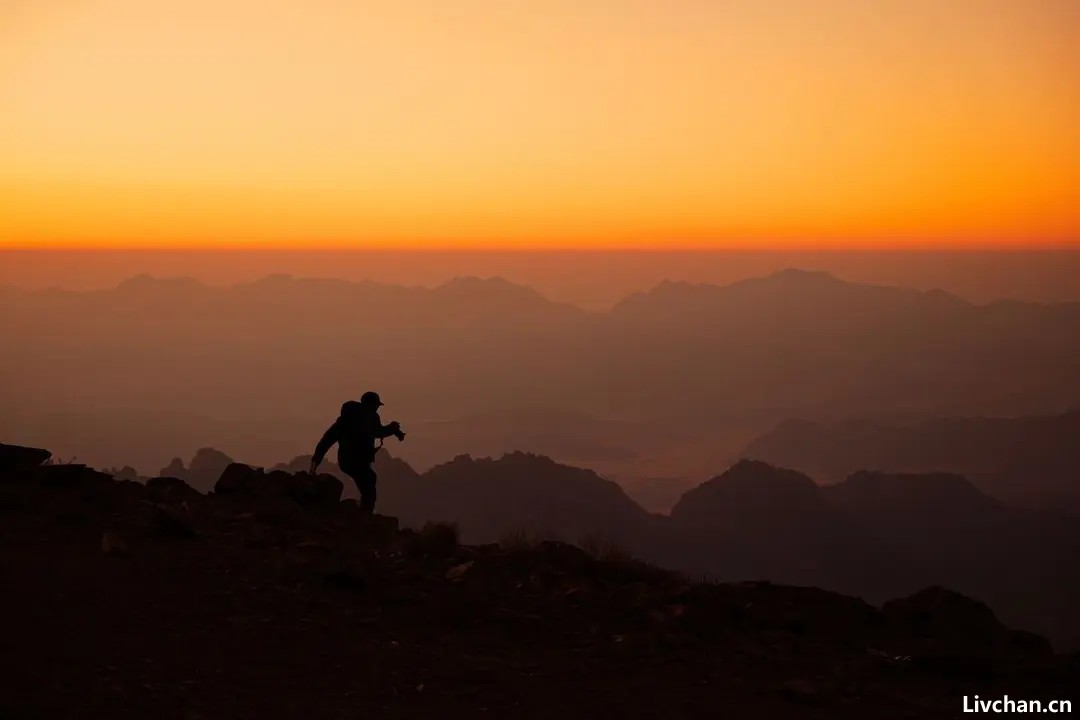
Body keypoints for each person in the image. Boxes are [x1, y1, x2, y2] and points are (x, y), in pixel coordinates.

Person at [310, 391, 404, 513]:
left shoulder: (349, 420)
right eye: (376, 405)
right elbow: (378, 431)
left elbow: (326, 441)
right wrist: (393, 429)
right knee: (369, 480)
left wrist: (315, 462)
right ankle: (365, 513)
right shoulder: (369, 418)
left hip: (348, 460)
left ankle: (364, 511)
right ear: (371, 405)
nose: (377, 408)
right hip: (354, 461)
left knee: (369, 479)